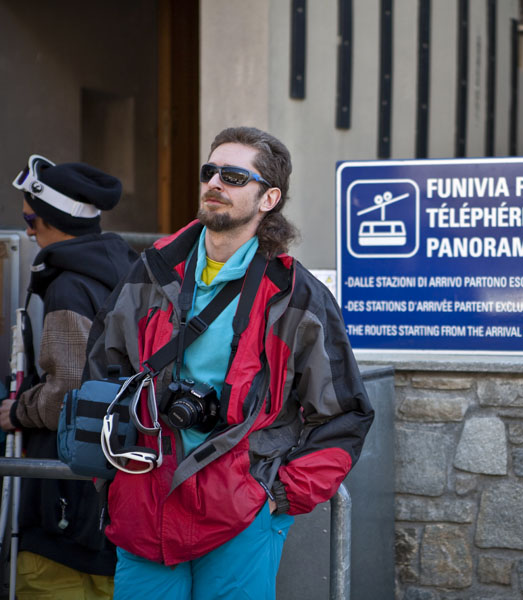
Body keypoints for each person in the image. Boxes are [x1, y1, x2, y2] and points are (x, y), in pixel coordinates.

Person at [82, 126, 374, 600]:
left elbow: (345, 416)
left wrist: (277, 496)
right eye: (210, 172)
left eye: (235, 177)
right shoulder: (151, 271)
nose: (215, 183)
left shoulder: (295, 296)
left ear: (268, 198)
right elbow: (101, 377)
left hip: (240, 512)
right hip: (145, 503)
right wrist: (111, 476)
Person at [2, 155, 137, 599]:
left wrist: (17, 411)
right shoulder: (126, 271)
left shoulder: (68, 286)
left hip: (66, 503)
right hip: (116, 491)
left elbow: (70, 392)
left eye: (31, 219)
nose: (28, 232)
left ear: (55, 220)